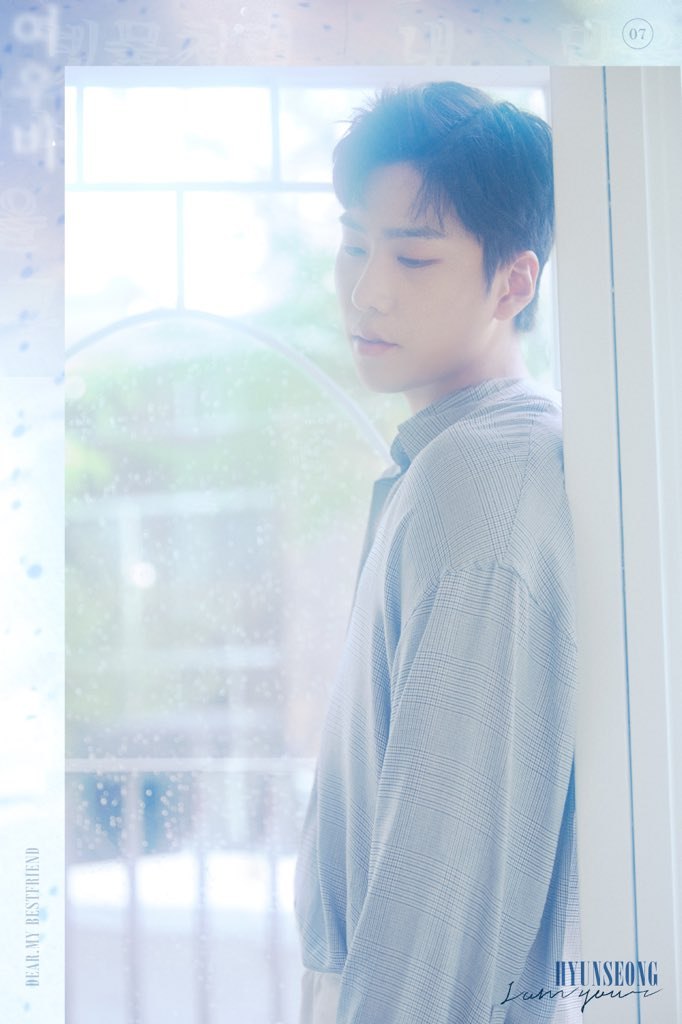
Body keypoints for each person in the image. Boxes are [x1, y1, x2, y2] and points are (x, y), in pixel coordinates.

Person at [294, 81, 580, 1024]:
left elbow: (443, 875)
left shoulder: (480, 480)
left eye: (413, 257)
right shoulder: (457, 458)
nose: (366, 290)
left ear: (514, 284)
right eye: (354, 244)